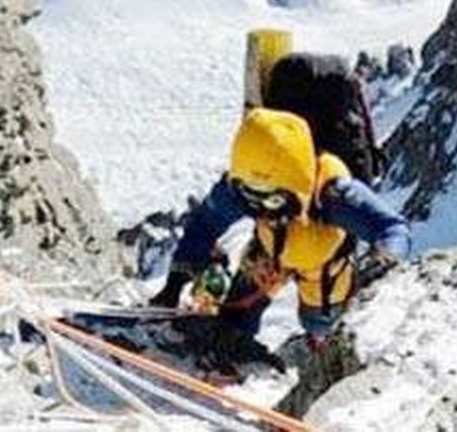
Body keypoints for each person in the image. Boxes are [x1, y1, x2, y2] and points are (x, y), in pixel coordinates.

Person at [151, 107, 409, 346]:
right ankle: (235, 344)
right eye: (252, 197)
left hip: (322, 263)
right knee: (235, 317)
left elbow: (392, 228)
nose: (261, 208)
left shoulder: (332, 194)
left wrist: (383, 259)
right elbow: (205, 225)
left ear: (299, 185)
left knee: (318, 325)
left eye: (273, 199)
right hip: (273, 250)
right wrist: (176, 281)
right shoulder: (243, 187)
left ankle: (316, 345)